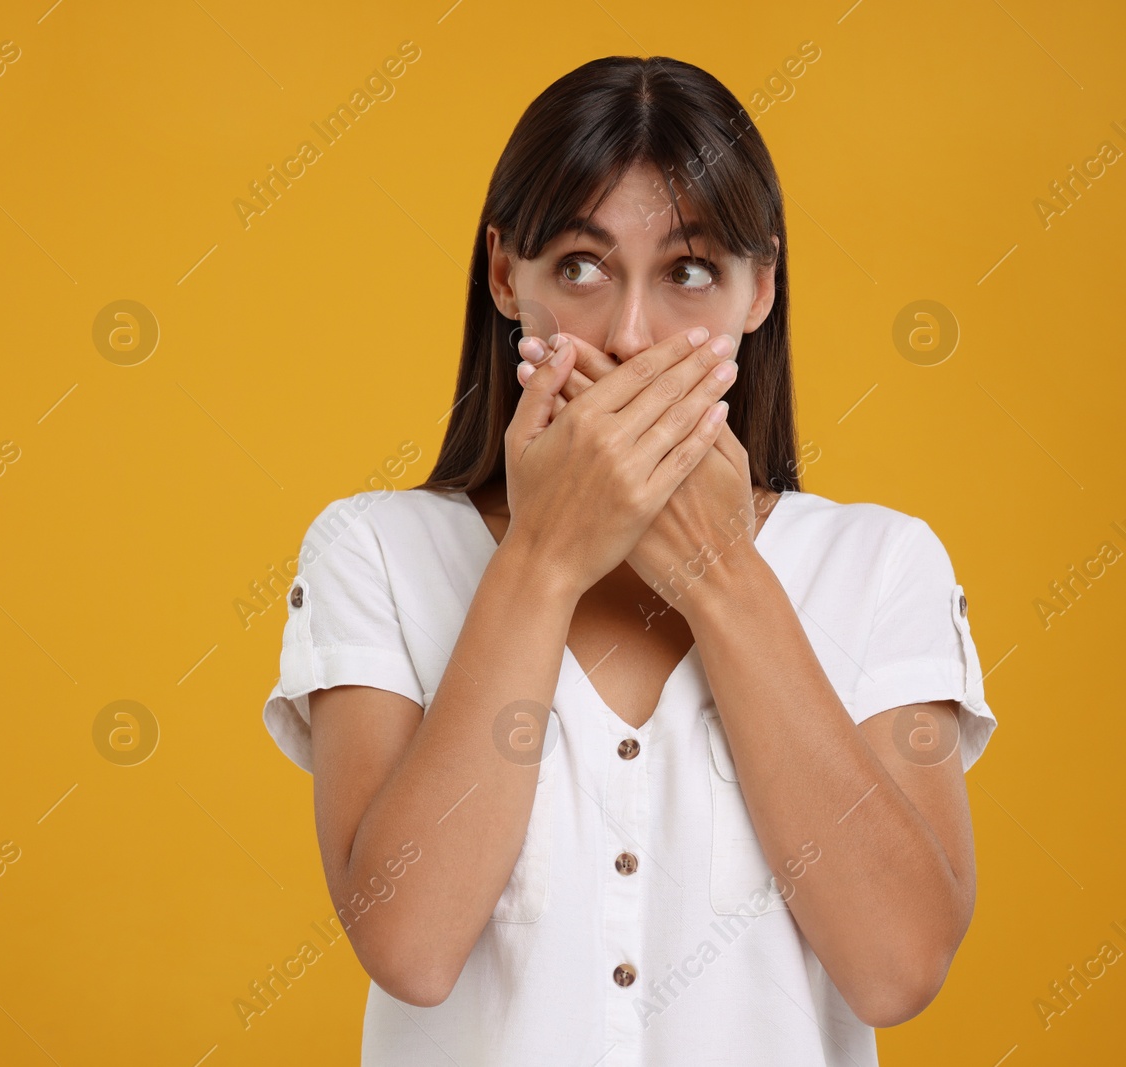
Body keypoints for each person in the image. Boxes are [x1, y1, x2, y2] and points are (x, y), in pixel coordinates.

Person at [260, 55, 996, 1066]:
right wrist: (545, 554)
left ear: (760, 288)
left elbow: (897, 965)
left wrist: (721, 570)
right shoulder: (375, 550)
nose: (635, 332)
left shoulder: (878, 563)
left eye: (688, 271)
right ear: (503, 275)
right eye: (580, 265)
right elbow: (411, 946)